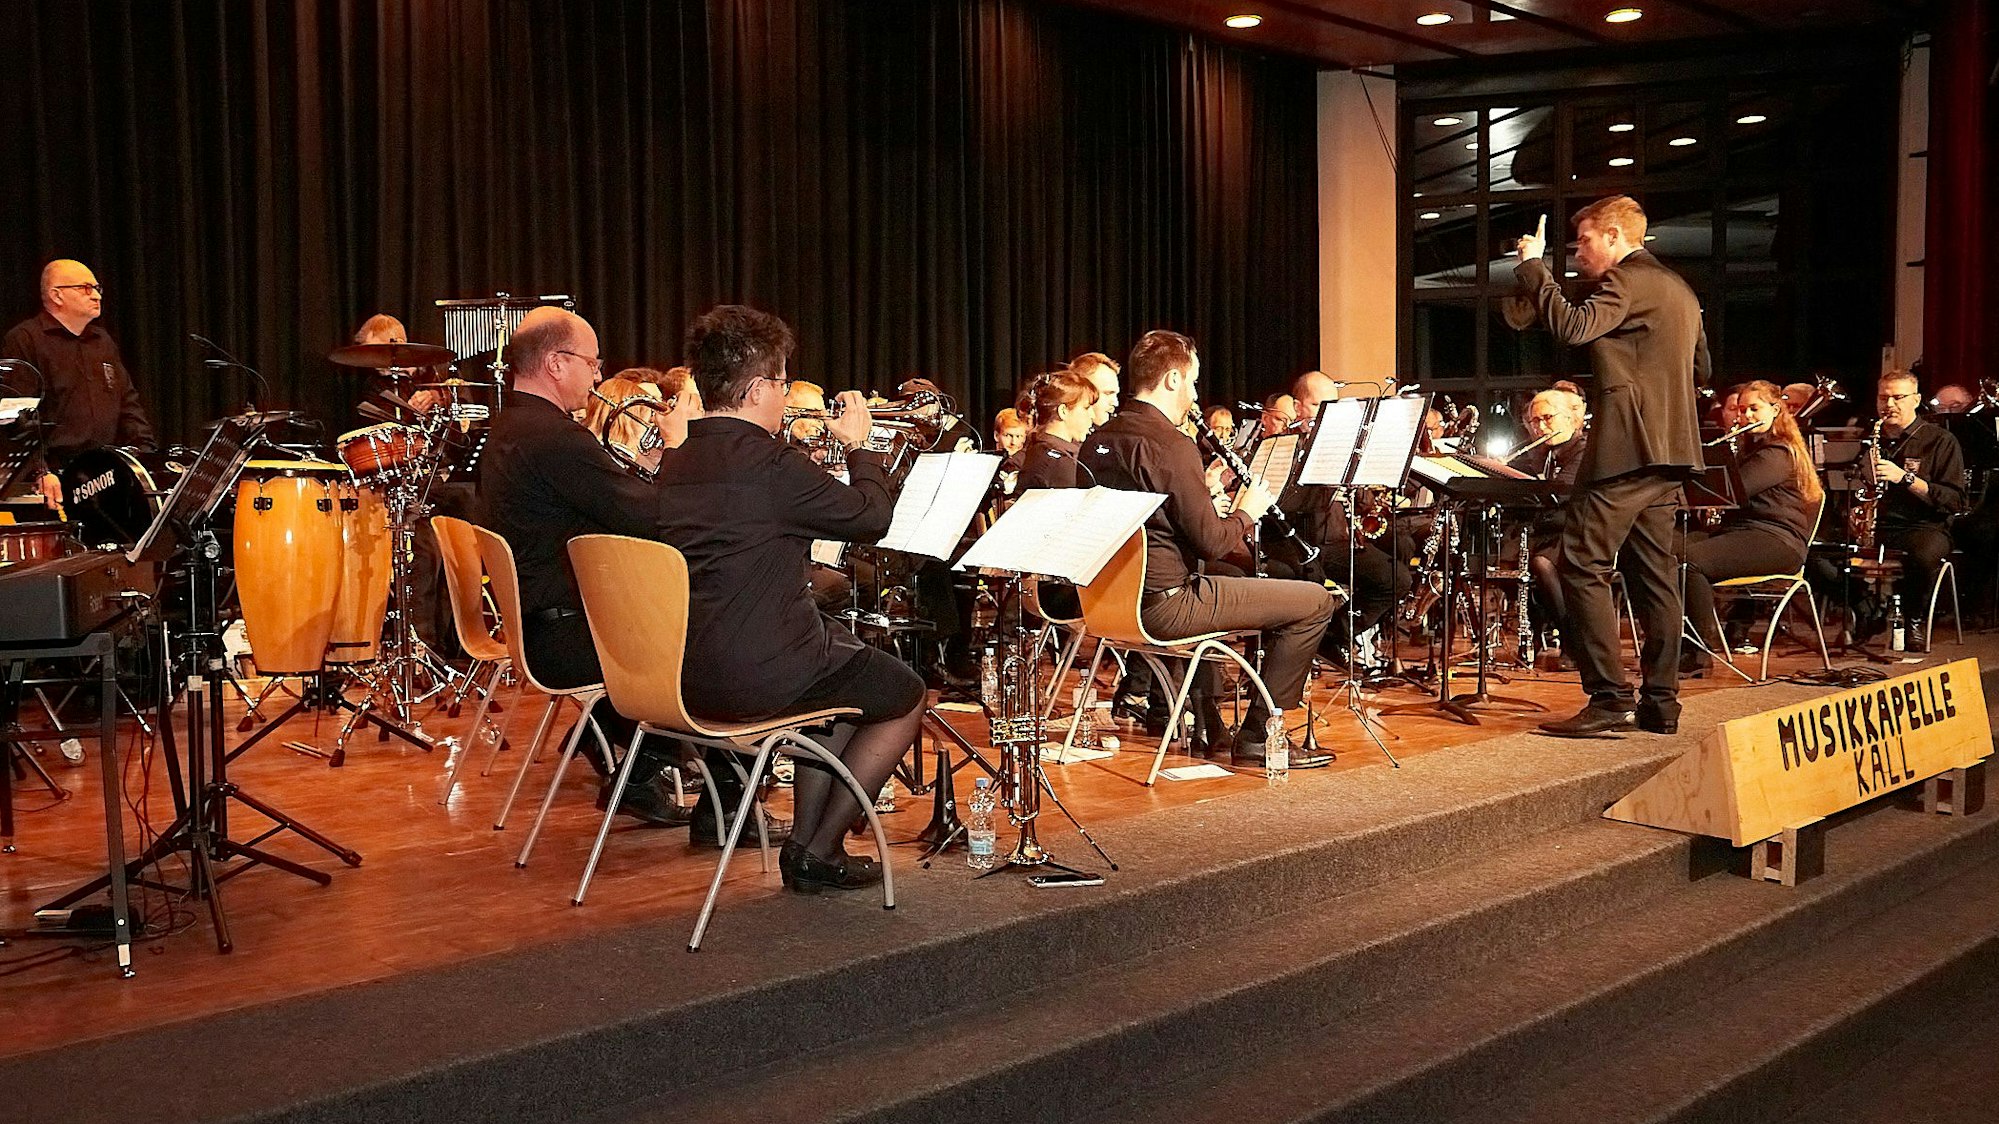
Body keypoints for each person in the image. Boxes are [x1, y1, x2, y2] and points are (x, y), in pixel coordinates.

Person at [655, 305, 923, 893]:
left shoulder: (678, 460)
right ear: (756, 390)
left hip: (685, 675)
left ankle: (807, 847)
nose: (784, 394)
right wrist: (862, 448)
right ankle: (819, 847)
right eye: (781, 382)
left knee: (840, 667)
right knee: (904, 694)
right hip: (757, 676)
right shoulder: (771, 463)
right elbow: (871, 517)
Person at [478, 307, 703, 829]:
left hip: (541, 626)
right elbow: (652, 517)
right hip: (567, 637)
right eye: (592, 362)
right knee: (719, 636)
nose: (598, 375)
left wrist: (643, 472)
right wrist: (677, 448)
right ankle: (717, 796)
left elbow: (606, 502)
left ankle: (642, 763)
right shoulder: (555, 438)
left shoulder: (512, 427)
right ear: (556, 363)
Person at [1081, 330, 1338, 769]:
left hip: (1107, 603)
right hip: (1167, 606)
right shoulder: (1169, 444)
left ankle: (1212, 721)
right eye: (1193, 381)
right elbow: (1213, 542)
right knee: (1315, 602)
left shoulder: (1099, 439)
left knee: (1253, 585)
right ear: (1172, 379)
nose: (1196, 394)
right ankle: (1259, 735)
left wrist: (1201, 499)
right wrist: (1247, 511)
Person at [1506, 196, 1708, 737]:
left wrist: (1534, 267)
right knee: (1655, 578)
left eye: (1585, 241)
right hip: (1671, 453)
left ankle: (1609, 696)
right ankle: (1661, 703)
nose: (1578, 253)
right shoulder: (1682, 291)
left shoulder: (1626, 280)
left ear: (1616, 237)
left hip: (1627, 451)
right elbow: (1702, 368)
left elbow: (1573, 327)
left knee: (1580, 562)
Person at [1680, 380, 1822, 672]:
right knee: (1664, 551)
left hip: (1777, 540)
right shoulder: (1751, 449)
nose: (1746, 416)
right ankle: (1674, 644)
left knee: (1689, 561)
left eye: (1754, 409)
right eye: (1742, 410)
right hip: (1745, 533)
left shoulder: (1778, 453)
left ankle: (1698, 652)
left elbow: (1735, 491)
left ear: (1775, 409)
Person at [1, 260, 155, 508]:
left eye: (97, 288)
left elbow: (128, 404)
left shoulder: (102, 341)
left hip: (104, 474)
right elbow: (16, 418)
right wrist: (40, 471)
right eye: (86, 288)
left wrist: (145, 454)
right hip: (55, 478)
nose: (96, 296)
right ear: (57, 295)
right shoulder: (26, 339)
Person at [1862, 369, 1967, 649]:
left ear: (1916, 400)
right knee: (1821, 552)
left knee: (1920, 556)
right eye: (1883, 398)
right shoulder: (1869, 439)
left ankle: (1913, 619)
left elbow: (1954, 500)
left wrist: (1905, 478)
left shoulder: (1940, 440)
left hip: (1924, 526)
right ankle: (1863, 611)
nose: (1889, 405)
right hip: (1878, 525)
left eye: (1898, 397)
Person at [1516, 383, 1591, 637]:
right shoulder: (1549, 451)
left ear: (1569, 418)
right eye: (1534, 421)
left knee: (1542, 563)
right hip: (1551, 530)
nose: (1540, 427)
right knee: (1509, 560)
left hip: (1578, 532)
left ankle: (1572, 637)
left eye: (1547, 418)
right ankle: (1535, 635)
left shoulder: (1584, 449)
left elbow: (1561, 491)